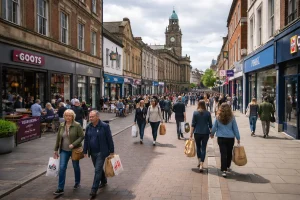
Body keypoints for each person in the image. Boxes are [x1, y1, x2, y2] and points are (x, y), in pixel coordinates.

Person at [53, 109, 84, 195]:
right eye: (66, 115)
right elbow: (58, 138)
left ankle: (77, 182)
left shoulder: (77, 125)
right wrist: (55, 149)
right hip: (64, 150)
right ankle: (60, 188)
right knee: (62, 168)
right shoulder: (62, 125)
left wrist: (74, 144)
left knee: (75, 166)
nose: (68, 117)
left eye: (70, 116)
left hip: (74, 150)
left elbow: (81, 136)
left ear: (73, 117)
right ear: (64, 116)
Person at [83, 111, 115, 197]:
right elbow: (86, 139)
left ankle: (94, 189)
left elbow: (109, 139)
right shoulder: (88, 127)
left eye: (92, 116)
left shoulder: (104, 126)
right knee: (99, 169)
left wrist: (112, 151)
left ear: (97, 117)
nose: (91, 118)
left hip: (102, 152)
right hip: (92, 152)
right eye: (90, 117)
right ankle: (104, 181)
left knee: (97, 170)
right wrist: (85, 150)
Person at [211, 103, 240, 177]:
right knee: (229, 152)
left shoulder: (218, 117)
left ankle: (224, 170)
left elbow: (214, 127)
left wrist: (212, 134)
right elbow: (235, 128)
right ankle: (227, 165)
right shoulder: (232, 117)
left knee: (223, 153)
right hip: (230, 138)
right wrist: (238, 137)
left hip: (221, 138)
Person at [190, 100, 212, 172]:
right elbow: (210, 125)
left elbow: (193, 124)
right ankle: (202, 164)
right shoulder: (208, 113)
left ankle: (199, 161)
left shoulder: (195, 113)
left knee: (198, 147)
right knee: (203, 148)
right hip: (205, 132)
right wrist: (211, 132)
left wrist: (191, 133)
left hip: (197, 132)